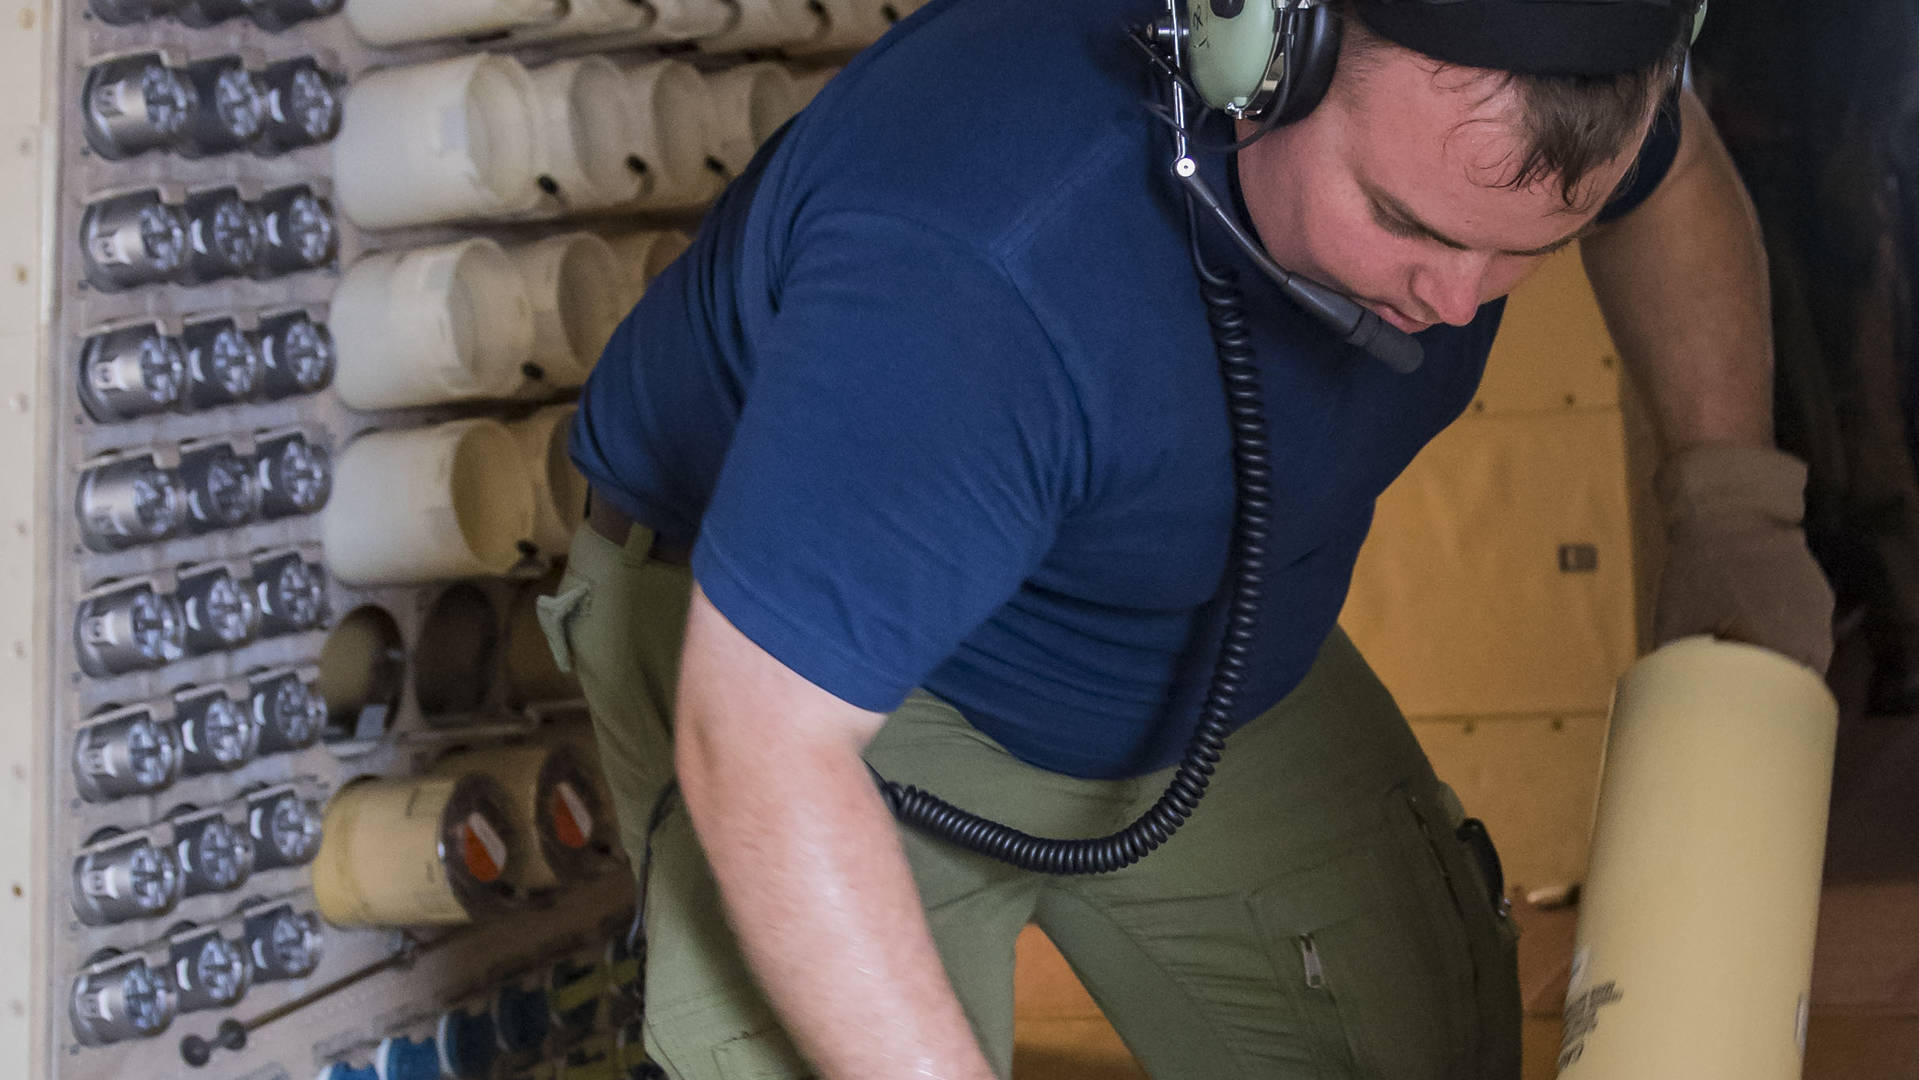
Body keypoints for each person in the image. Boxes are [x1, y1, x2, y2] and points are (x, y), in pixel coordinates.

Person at [538, 0, 1835, 1076]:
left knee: (1415, 1039)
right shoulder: (982, 258)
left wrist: (1733, 503)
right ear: (1255, 54)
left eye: (1522, 255)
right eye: (1408, 225)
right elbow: (760, 742)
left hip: (1196, 620)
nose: (1454, 304)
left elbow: (1669, 181)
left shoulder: (1516, 95)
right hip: (820, 665)